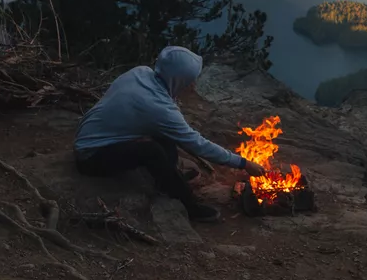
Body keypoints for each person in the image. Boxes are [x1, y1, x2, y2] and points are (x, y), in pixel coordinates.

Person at [74, 45, 265, 223]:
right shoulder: (159, 108)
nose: (193, 85)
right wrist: (243, 163)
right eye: (190, 80)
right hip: (90, 157)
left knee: (164, 135)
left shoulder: (140, 73)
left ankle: (172, 177)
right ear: (178, 79)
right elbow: (197, 144)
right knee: (152, 151)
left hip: (88, 136)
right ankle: (190, 207)